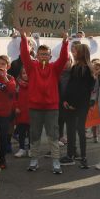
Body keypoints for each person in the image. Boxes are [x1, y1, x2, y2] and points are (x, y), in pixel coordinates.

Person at [20, 32, 70, 174]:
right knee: (34, 135)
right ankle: (34, 160)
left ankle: (56, 162)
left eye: (46, 54)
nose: (43, 56)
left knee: (53, 136)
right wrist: (24, 38)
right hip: (35, 108)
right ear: (37, 56)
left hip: (51, 108)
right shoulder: (31, 67)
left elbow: (64, 58)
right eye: (41, 54)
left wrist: (65, 42)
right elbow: (24, 55)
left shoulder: (55, 68)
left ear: (50, 56)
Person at [60, 43, 95, 168]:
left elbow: (84, 90)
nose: (73, 53)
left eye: (75, 52)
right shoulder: (75, 67)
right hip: (70, 104)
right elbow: (70, 86)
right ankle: (71, 154)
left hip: (80, 105)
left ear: (81, 53)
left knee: (80, 130)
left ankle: (83, 157)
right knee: (70, 129)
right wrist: (65, 100)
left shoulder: (86, 69)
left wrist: (74, 104)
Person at [13, 67, 30, 158]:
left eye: (27, 73)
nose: (26, 75)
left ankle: (31, 149)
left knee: (31, 132)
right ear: (21, 74)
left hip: (31, 112)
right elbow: (14, 97)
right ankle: (22, 149)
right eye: (23, 73)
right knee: (21, 132)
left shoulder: (34, 83)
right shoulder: (18, 84)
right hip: (21, 112)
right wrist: (16, 107)